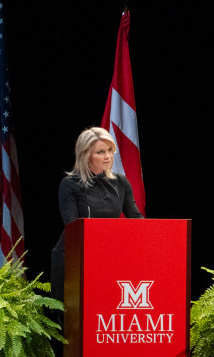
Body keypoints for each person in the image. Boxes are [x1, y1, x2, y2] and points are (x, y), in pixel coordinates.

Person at [49, 127, 144, 301]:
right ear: (86, 155)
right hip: (74, 256)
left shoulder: (120, 182)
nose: (108, 156)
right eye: (101, 152)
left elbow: (136, 218)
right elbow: (71, 225)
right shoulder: (70, 184)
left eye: (110, 150)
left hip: (110, 253)